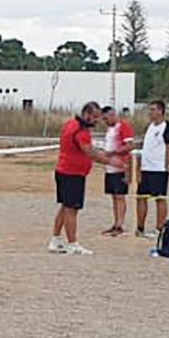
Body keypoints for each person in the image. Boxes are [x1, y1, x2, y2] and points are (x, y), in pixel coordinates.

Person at [49, 101, 110, 255]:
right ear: (87, 114)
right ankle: (72, 243)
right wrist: (109, 160)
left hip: (64, 171)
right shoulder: (80, 131)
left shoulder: (70, 124)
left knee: (65, 206)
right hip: (72, 174)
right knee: (72, 209)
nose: (97, 121)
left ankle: (55, 240)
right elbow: (89, 151)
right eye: (95, 117)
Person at [132, 99, 169, 237]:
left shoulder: (167, 127)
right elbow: (145, 148)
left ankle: (160, 228)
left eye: (153, 110)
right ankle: (140, 227)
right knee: (141, 197)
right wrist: (139, 167)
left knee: (160, 198)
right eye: (149, 110)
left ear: (160, 111)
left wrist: (168, 164)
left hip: (159, 169)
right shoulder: (150, 127)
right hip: (146, 167)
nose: (150, 113)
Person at [98, 107, 135, 236]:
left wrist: (113, 152)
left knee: (120, 196)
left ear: (113, 115)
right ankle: (116, 223)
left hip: (121, 166)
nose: (105, 121)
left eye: (106, 118)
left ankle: (120, 224)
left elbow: (129, 146)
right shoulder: (109, 130)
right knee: (114, 196)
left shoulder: (123, 127)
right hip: (110, 167)